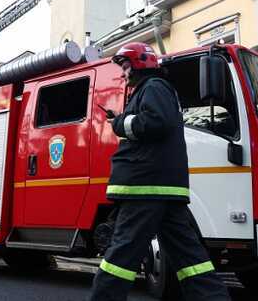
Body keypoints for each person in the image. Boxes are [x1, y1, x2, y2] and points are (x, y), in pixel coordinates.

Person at [89, 43, 230, 301]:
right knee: (191, 259)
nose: (123, 72)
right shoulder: (155, 90)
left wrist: (119, 123)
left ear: (141, 62)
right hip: (163, 190)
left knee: (121, 256)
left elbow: (156, 123)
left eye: (126, 65)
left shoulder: (153, 87)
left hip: (145, 189)